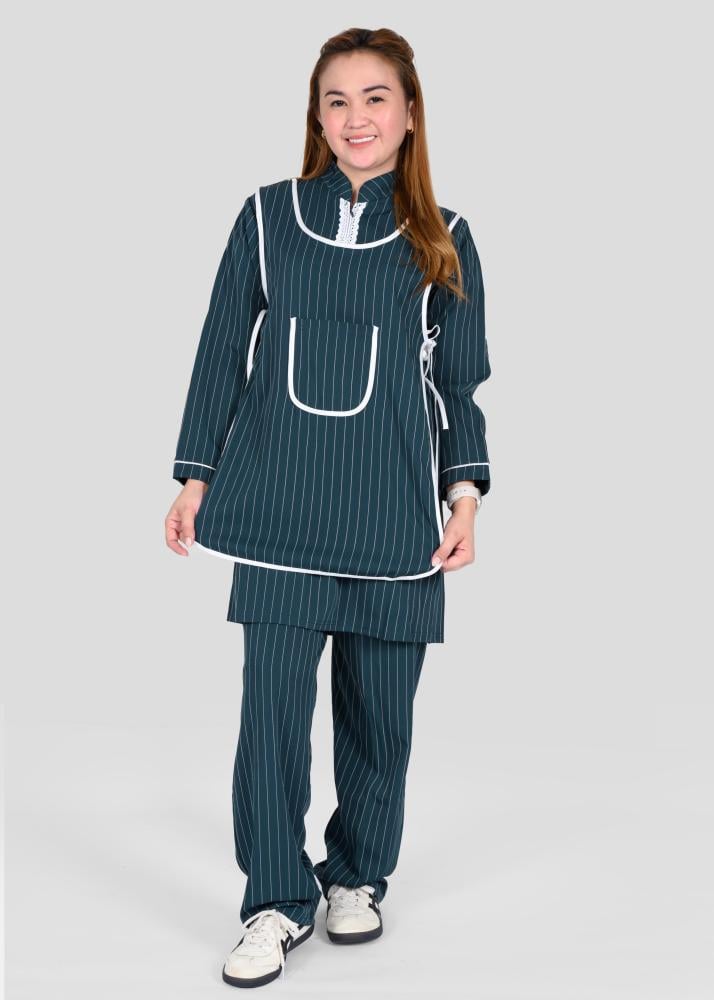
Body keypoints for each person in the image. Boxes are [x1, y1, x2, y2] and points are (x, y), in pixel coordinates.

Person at [164, 26, 491, 989]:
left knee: (379, 722)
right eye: (337, 101)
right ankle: (274, 899)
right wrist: (194, 476)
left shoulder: (445, 236)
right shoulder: (268, 218)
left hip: (395, 514)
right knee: (269, 724)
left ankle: (355, 876)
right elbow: (220, 348)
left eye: (375, 98)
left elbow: (457, 385)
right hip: (277, 508)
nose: (356, 118)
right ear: (316, 116)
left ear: (410, 113)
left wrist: (464, 495)